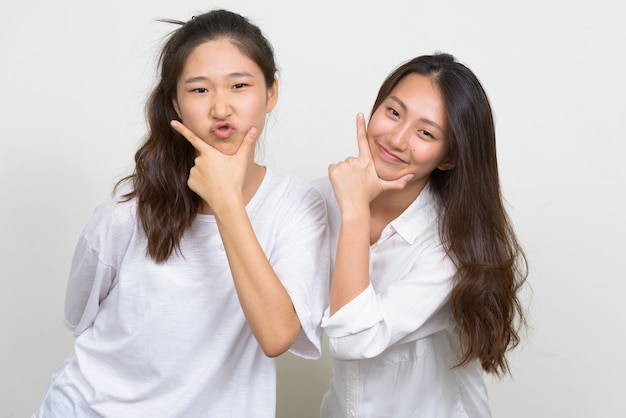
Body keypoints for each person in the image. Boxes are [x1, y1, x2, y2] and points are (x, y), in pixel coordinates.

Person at [32, 9, 329, 417]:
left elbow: (277, 334)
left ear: (271, 92)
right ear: (175, 102)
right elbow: (78, 315)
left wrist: (226, 202)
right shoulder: (129, 208)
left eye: (239, 85)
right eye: (200, 90)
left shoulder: (298, 207)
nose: (221, 108)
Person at [314, 53, 527, 417]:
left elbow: (355, 339)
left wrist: (354, 211)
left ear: (448, 158)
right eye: (393, 112)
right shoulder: (320, 199)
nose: (396, 138)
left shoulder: (453, 243)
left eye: (425, 133)